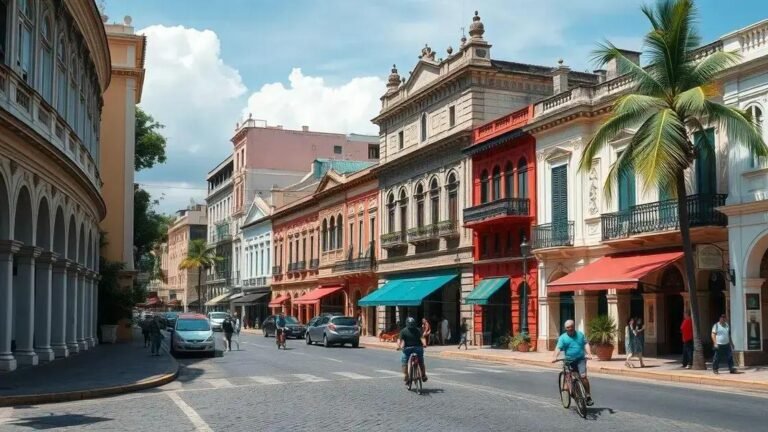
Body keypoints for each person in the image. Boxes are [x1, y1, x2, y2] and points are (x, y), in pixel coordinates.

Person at [551, 319, 594, 406]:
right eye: (567, 328)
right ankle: (569, 391)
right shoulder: (563, 337)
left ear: (574, 326)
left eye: (571, 327)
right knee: (568, 378)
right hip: (569, 360)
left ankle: (588, 396)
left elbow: (585, 344)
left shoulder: (580, 335)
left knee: (583, 377)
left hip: (580, 359)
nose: (569, 329)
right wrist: (555, 356)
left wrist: (589, 353)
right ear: (565, 328)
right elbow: (558, 348)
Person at [397, 317, 427, 384]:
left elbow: (399, 340)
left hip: (407, 349)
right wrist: (424, 344)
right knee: (421, 361)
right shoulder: (418, 330)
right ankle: (423, 375)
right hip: (418, 348)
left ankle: (406, 375)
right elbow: (422, 338)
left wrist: (399, 346)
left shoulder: (403, 331)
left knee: (404, 361)